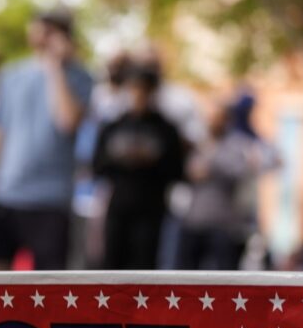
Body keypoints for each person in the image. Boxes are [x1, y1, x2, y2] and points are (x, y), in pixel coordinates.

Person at [0, 10, 93, 271]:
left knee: (48, 283)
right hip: (5, 193)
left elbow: (68, 121)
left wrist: (55, 67)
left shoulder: (81, 76)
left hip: (51, 197)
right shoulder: (11, 75)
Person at [92, 64, 186, 269]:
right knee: (112, 265)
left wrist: (152, 159)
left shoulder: (166, 130)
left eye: (144, 89)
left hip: (151, 207)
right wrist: (121, 158)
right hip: (118, 205)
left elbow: (177, 172)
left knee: (144, 264)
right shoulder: (113, 127)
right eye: (133, 88)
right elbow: (97, 167)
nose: (138, 95)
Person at [176, 102, 279, 270]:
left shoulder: (237, 145)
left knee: (224, 273)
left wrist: (213, 167)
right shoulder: (199, 145)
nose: (212, 123)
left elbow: (244, 170)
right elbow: (187, 171)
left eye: (217, 119)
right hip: (195, 220)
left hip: (225, 223)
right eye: (209, 119)